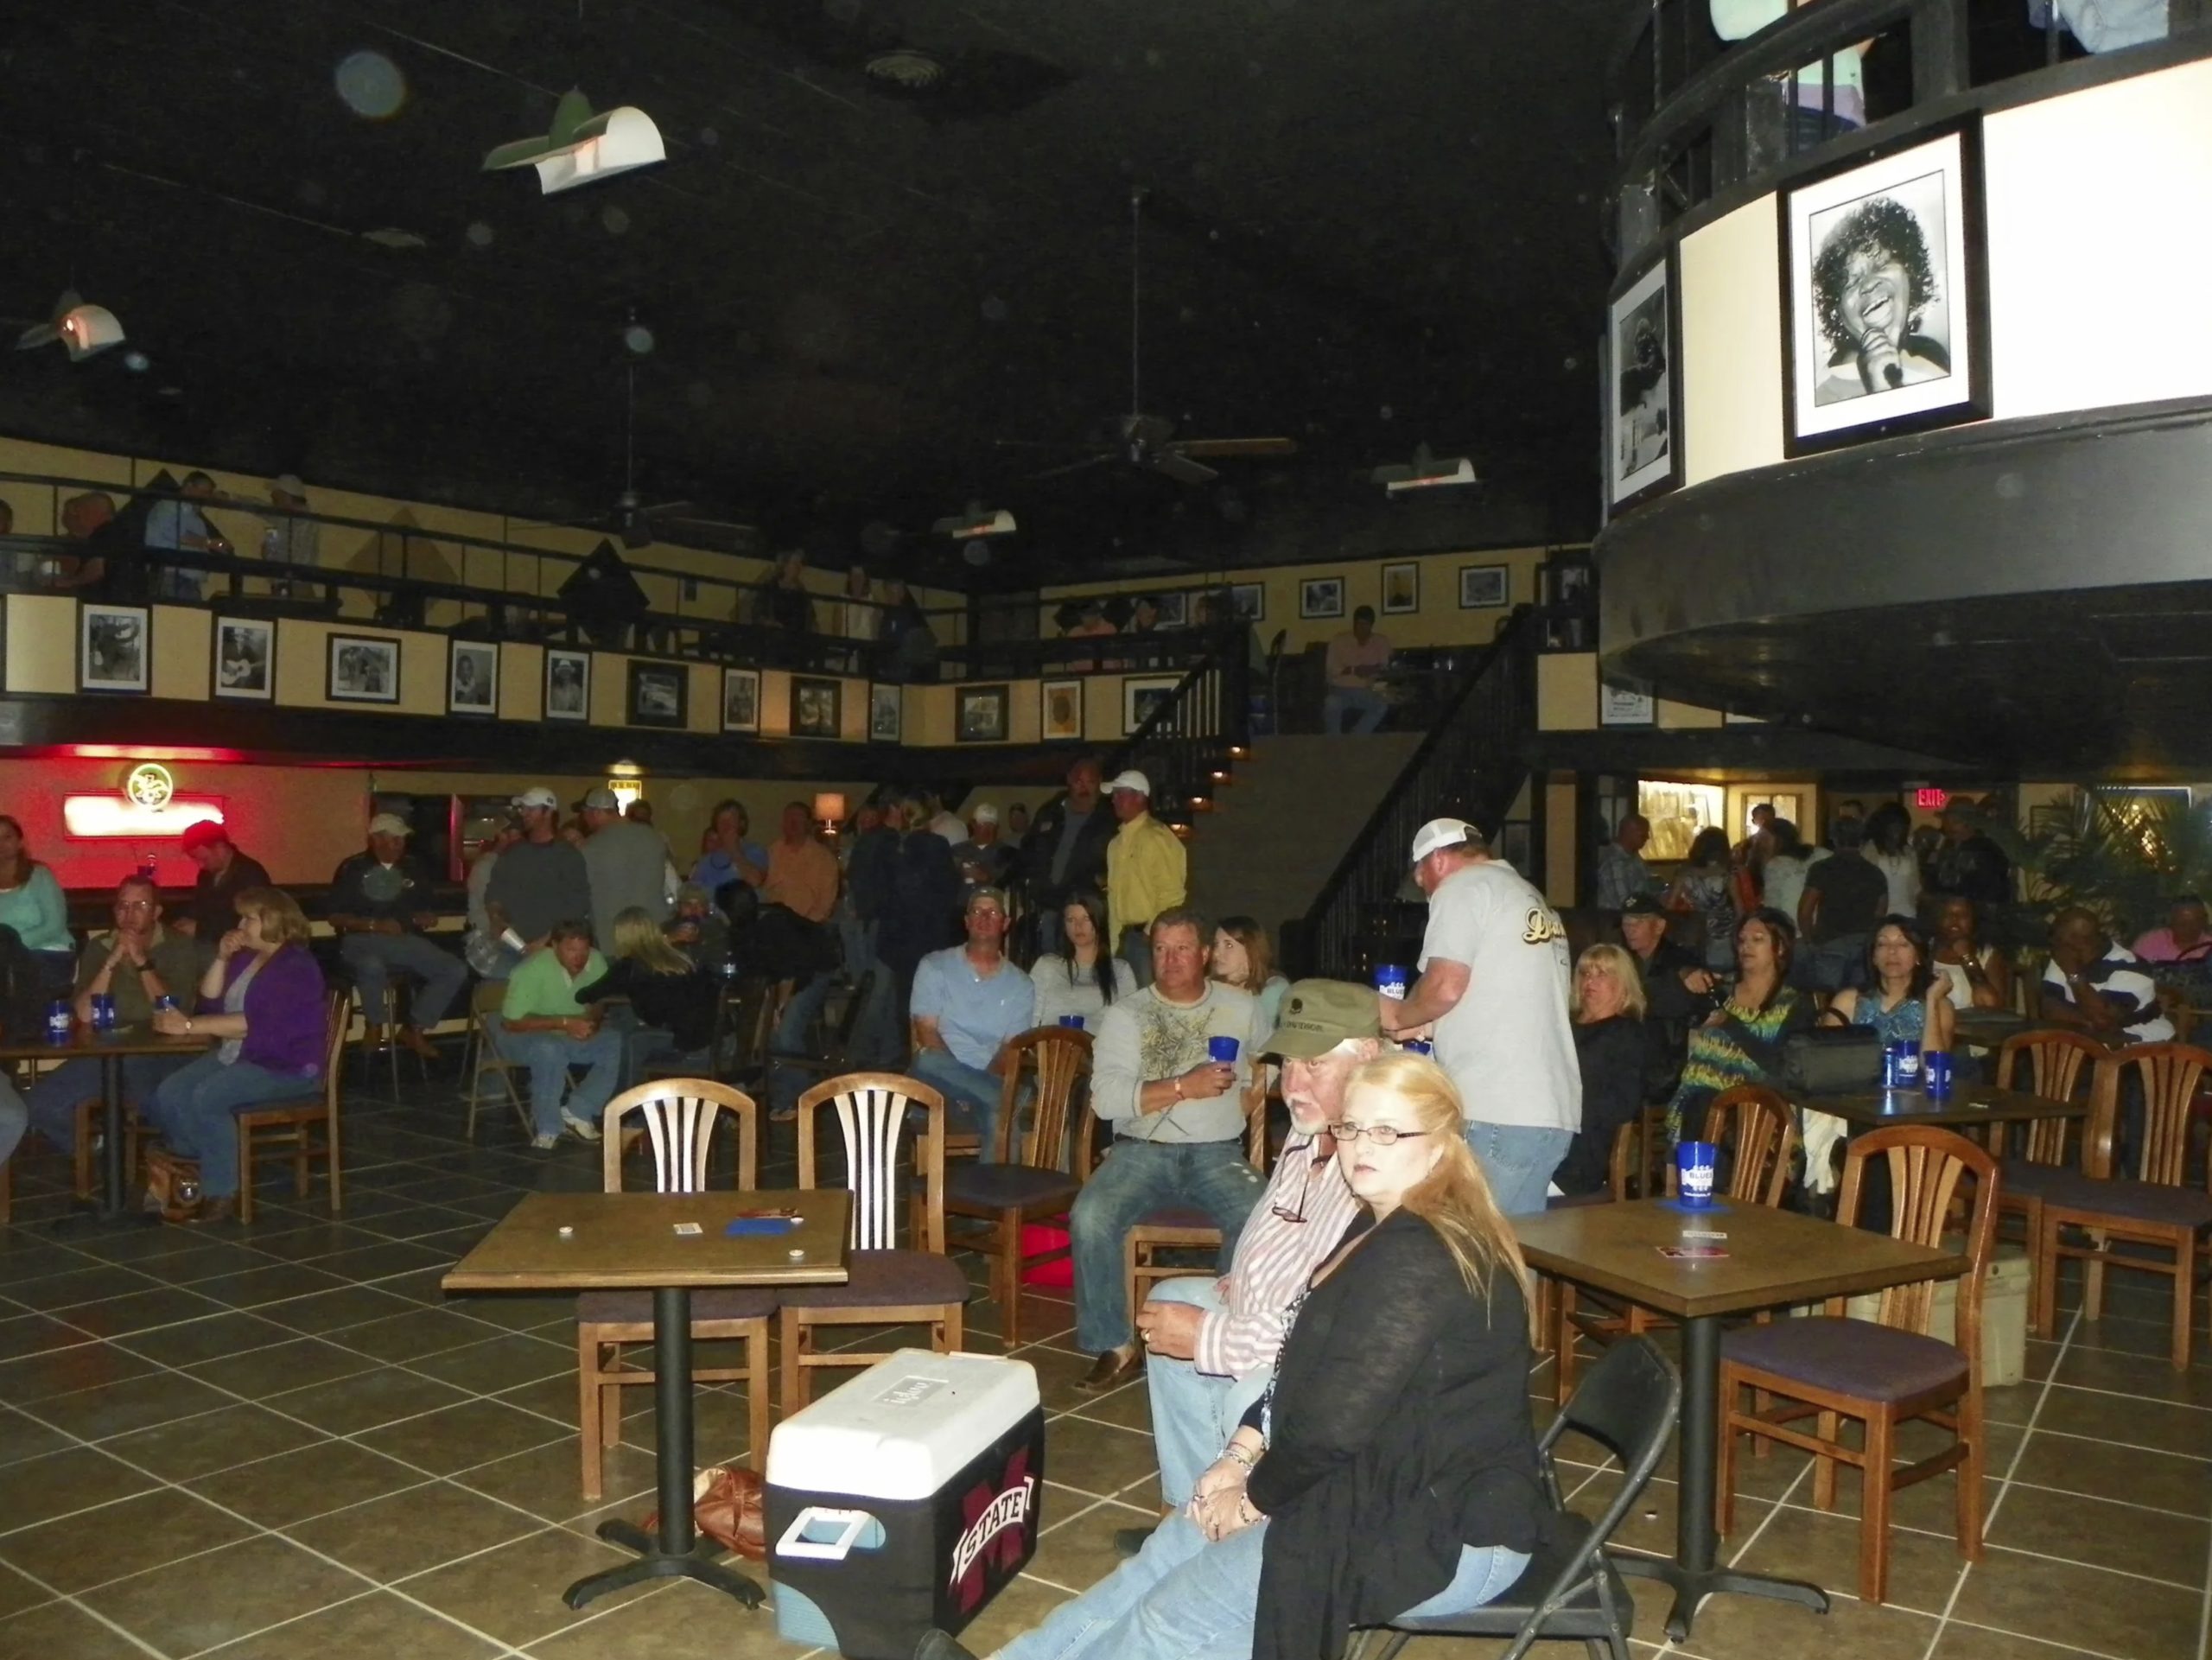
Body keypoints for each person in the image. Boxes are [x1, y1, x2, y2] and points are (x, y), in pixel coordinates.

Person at [931, 1053, 1544, 1660]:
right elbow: (1297, 1370)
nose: (1362, 1146)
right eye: (1353, 1126)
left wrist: (1250, 1498)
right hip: (1363, 1483)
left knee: (1172, 1616)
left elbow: (1332, 1427)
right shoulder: (1376, 1224)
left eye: (1388, 1131)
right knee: (1165, 1556)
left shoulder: (1421, 1255)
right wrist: (1237, 1457)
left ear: (1439, 1145)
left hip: (1437, 1527)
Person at [1128, 980, 1375, 1544]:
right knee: (1168, 1303)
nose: (1293, 1083)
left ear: (1367, 1057)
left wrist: (1210, 1337)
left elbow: (1327, 1329)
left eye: (1314, 1063)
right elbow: (1279, 1225)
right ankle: (1188, 1512)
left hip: (1314, 1354)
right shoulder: (1311, 1132)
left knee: (1255, 1392)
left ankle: (1237, 1537)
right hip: (1267, 1312)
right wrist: (1245, 1274)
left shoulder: (1379, 1163)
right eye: (1288, 1063)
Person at [1069, 909, 1267, 1390]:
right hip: (1141, 1150)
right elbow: (1106, 1099)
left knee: (1261, 1213)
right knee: (1090, 1215)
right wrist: (1183, 1086)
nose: (1170, 959)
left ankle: (1222, 1334)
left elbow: (1273, 1054)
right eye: (1160, 949)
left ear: (1204, 955)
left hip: (1217, 1151)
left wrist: (1254, 1091)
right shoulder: (1126, 1014)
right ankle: (1114, 1345)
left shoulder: (1241, 1006)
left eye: (1182, 949)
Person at [1382, 819, 1579, 1216]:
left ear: (1437, 860)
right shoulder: (1527, 896)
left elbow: (1444, 987)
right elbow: (1499, 998)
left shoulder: (1462, 888)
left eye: (1421, 876)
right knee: (1510, 1245)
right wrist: (1429, 1022)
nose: (1423, 887)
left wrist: (1397, 1015)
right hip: (1550, 1112)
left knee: (1468, 1241)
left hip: (1494, 1110)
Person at [144, 888, 328, 1224]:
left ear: (273, 920)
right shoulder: (248, 958)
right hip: (242, 1054)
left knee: (208, 1096)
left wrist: (187, 1026)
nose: (240, 925)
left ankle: (222, 1192)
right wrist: (221, 958)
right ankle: (195, 1170)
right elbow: (209, 1001)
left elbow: (253, 1025)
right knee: (170, 1092)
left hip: (286, 1066)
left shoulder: (295, 966)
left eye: (248, 918)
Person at [23, 877, 207, 1158]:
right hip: (106, 1052)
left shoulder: (179, 946)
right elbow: (83, 1013)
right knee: (39, 1104)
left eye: (140, 905)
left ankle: (169, 1162)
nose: (129, 914)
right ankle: (101, 1154)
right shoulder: (100, 947)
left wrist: (141, 961)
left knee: (153, 1098)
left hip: (163, 1049)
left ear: (156, 912)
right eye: (122, 906)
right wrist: (111, 962)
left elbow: (174, 1012)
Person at [1666, 908, 1815, 1142]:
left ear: (1780, 948)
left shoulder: (1795, 1004)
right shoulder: (1719, 989)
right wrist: (1685, 974)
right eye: (1742, 939)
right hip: (1701, 1101)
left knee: (1721, 1112)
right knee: (1704, 1103)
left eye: (1758, 939)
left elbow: (1780, 1067)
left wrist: (1729, 1023)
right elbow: (1656, 999)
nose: (1746, 946)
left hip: (1759, 1109)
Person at [907, 887, 1035, 1157]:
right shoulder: (934, 965)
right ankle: (1012, 1097)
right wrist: (970, 1085)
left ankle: (994, 1191)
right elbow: (926, 1032)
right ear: (966, 921)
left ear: (1006, 923)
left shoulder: (1021, 984)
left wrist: (975, 1088)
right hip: (938, 1084)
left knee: (1000, 1119)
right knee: (926, 1059)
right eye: (977, 911)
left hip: (990, 1079)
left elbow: (1008, 1050)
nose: (984, 917)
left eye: (993, 912)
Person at [327, 812, 465, 1061]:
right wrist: (375, 925)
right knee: (371, 964)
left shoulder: (412, 867)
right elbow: (335, 917)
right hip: (359, 940)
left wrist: (426, 917)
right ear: (376, 840)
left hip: (403, 940)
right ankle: (374, 1024)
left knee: (454, 968)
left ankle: (414, 1028)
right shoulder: (353, 868)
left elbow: (426, 907)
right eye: (395, 839)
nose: (401, 844)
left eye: (402, 839)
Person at [496, 919, 625, 1148]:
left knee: (613, 1040)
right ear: (554, 946)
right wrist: (563, 1023)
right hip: (521, 1036)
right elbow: (510, 1023)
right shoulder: (532, 969)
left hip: (568, 1032)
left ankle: (578, 1111)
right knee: (549, 1049)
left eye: (584, 950)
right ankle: (548, 1128)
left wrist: (591, 1023)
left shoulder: (596, 961)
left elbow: (598, 1002)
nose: (579, 957)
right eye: (571, 950)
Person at [578, 906, 720, 1089]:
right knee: (633, 1034)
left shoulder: (629, 966)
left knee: (632, 1040)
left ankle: (624, 1099)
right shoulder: (679, 958)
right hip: (713, 1041)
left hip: (687, 1045)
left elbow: (586, 995)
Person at [1559, 944, 1652, 1197]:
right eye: (1585, 973)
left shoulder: (1626, 1033)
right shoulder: (1563, 1025)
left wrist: (1566, 1106)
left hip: (1581, 1144)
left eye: (1601, 974)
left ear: (1622, 983)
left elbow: (1624, 1102)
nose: (1590, 981)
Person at [1826, 915, 1956, 1060]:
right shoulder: (1848, 1001)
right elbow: (1826, 1059)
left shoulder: (1940, 1005)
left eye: (1903, 944)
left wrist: (1932, 1000)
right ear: (1873, 957)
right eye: (1882, 944)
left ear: (1918, 956)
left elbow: (1933, 1065)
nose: (1892, 951)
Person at [2038, 906, 2173, 1046]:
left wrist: (2073, 974)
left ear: (2089, 942)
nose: (2058, 948)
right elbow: (2050, 1007)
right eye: (2057, 941)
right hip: (2092, 1039)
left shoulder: (2131, 966)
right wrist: (2089, 1025)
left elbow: (2102, 1019)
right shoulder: (2064, 955)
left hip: (2145, 1045)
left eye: (2064, 943)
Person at [1024, 756, 1116, 957]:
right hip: (1049, 904)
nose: (1084, 788)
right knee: (1051, 962)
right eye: (1078, 781)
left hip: (1085, 908)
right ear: (1068, 780)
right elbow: (1028, 849)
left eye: (1090, 782)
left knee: (1083, 962)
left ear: (1100, 783)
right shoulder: (1050, 811)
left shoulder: (1110, 818)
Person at [486, 787, 594, 955]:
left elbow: (577, 907)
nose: (524, 814)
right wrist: (496, 918)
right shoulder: (514, 853)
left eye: (531, 809)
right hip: (512, 946)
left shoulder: (567, 856)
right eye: (523, 809)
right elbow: (495, 890)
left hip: (552, 950)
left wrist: (546, 941)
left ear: (548, 812)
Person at [1104, 770, 1186, 988]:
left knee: (1148, 999)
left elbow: (1172, 894)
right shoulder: (1116, 844)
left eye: (1120, 794)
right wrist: (1112, 944)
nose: (1114, 799)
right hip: (1125, 937)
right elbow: (1114, 897)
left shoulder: (1157, 837)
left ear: (1140, 797)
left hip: (1147, 939)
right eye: (1114, 794)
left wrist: (1152, 934)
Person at [1797, 813, 1888, 992]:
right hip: (1862, 944)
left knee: (1827, 995)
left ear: (1833, 838)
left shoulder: (1822, 869)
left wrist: (1809, 941)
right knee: (1857, 997)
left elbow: (1805, 910)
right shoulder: (1875, 873)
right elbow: (1880, 913)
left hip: (1829, 941)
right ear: (1861, 840)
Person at [577, 786, 671, 951]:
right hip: (654, 935)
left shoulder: (591, 848)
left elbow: (582, 894)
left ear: (596, 813)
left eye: (585, 813)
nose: (584, 819)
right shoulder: (653, 837)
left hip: (612, 939)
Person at [1028, 889, 1135, 1028]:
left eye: (1086, 919)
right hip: (1054, 1040)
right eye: (1071, 920)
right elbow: (1031, 1020)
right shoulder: (1047, 966)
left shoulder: (1120, 971)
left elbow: (1130, 1023)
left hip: (1101, 1041)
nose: (1078, 926)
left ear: (1098, 921)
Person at [0, 816, 75, 989]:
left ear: (20, 842)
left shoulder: (40, 876)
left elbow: (54, 925)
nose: (1, 844)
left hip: (47, 952)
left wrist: (12, 947)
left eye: (7, 837)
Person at [177, 822, 273, 941]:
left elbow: (252, 923)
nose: (200, 865)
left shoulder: (251, 874)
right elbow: (199, 909)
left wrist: (200, 930)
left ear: (220, 848)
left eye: (204, 859)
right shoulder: (206, 875)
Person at [1667, 826, 1739, 974]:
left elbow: (1670, 907)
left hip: (1694, 930)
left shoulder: (1685, 873)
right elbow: (1740, 908)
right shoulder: (1727, 875)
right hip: (1723, 931)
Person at [1209, 916, 1290, 1037]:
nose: (1216, 953)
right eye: (1216, 944)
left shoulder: (1274, 989)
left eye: (1229, 945)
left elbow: (1258, 1040)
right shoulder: (1208, 986)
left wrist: (1235, 990)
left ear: (1250, 950)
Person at [1931, 895, 2014, 1013]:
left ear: (1974, 921)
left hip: (1968, 1023)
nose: (1954, 920)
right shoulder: (1925, 951)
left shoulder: (1987, 955)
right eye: (1948, 915)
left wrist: (1968, 958)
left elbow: (1990, 1006)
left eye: (1963, 916)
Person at [1927, 801, 2012, 911]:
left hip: (1976, 913)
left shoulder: (1986, 849)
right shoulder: (1945, 847)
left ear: (1970, 824)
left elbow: (1992, 888)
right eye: (1946, 822)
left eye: (1955, 822)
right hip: (1947, 910)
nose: (1949, 827)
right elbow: (1934, 879)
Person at [1321, 604, 1392, 736]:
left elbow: (1385, 668)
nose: (1362, 628)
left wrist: (1371, 670)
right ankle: (1333, 741)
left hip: (1369, 690)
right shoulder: (1339, 641)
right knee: (1331, 703)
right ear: (1354, 623)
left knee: (1382, 705)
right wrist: (1353, 670)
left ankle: (1356, 737)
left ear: (1372, 625)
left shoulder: (1381, 641)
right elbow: (1331, 670)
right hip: (1341, 691)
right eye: (1359, 624)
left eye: (1366, 625)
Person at [463, 818, 521, 976]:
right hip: (486, 941)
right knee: (523, 975)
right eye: (510, 836)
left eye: (519, 837)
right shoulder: (487, 866)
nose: (515, 842)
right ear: (500, 838)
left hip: (513, 941)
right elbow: (497, 918)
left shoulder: (521, 866)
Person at [690, 798, 768, 907]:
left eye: (731, 821)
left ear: (741, 824)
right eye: (721, 822)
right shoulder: (706, 861)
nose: (726, 826)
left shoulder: (755, 850)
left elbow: (755, 881)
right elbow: (694, 893)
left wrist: (733, 850)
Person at [259, 473, 320, 596]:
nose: (272, 500)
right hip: (285, 584)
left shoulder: (299, 519)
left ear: (286, 496)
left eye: (276, 496)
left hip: (294, 584)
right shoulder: (286, 520)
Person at [1864, 804, 1923, 921]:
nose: (1898, 828)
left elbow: (1916, 888)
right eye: (1894, 824)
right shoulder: (1870, 850)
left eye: (1902, 824)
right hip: (1879, 916)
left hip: (1908, 914)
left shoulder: (1909, 852)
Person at [1756, 817, 1819, 925]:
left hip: (1790, 923)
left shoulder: (1776, 865)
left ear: (1779, 839)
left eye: (1765, 839)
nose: (1761, 844)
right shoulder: (1817, 853)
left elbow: (1772, 904)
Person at [1593, 813, 1660, 915]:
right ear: (1629, 832)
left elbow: (1650, 886)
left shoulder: (1635, 858)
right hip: (1616, 920)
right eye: (1643, 833)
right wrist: (1642, 899)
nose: (1647, 837)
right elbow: (1624, 904)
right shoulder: (1614, 861)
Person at [664, 881, 733, 971]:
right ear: (679, 907)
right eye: (688, 905)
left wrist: (700, 939)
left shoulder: (718, 929)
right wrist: (669, 939)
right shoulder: (667, 928)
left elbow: (721, 959)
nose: (693, 909)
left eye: (699, 905)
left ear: (706, 908)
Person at [950, 805, 1019, 893]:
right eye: (983, 824)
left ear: (997, 827)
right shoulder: (957, 851)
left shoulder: (1008, 854)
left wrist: (985, 878)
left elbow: (1012, 888)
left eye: (991, 825)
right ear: (973, 824)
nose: (987, 829)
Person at [2132, 894, 2212, 967]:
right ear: (2170, 922)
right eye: (2182, 924)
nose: (2190, 928)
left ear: (2205, 921)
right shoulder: (2149, 942)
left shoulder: (2209, 945)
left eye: (2196, 922)